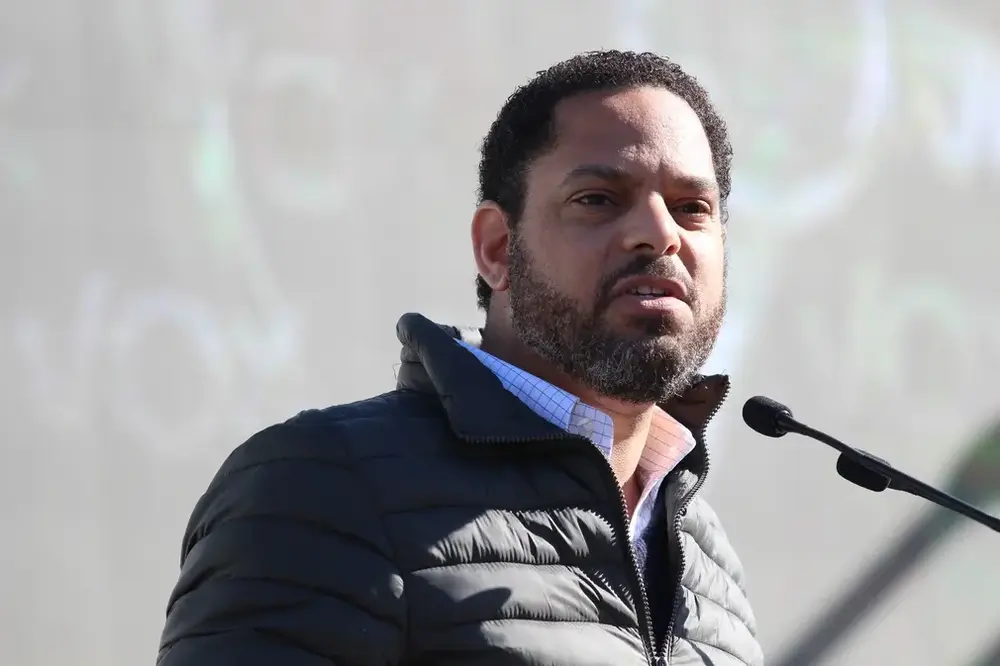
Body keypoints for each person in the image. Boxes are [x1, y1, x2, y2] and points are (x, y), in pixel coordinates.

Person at [157, 50, 763, 666]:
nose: (660, 234)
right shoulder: (323, 488)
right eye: (598, 199)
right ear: (498, 248)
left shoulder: (711, 568)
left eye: (693, 208)